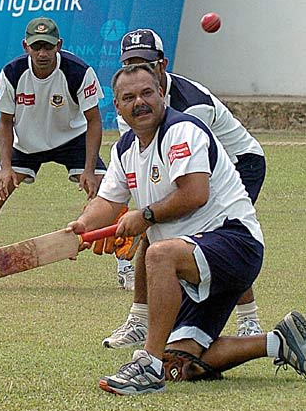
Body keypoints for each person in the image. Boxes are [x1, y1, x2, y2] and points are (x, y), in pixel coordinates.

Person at [66, 64, 306, 396]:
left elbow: (194, 193)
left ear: (162, 94)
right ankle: (279, 342)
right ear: (118, 107)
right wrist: (81, 227)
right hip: (196, 262)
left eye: (147, 93)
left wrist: (145, 216)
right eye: (129, 97)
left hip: (235, 243)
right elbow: (107, 202)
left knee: (159, 253)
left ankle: (146, 365)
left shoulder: (182, 129)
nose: (140, 102)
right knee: (178, 364)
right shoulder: (124, 150)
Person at [102, 28, 266, 346]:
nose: (138, 71)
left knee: (221, 232)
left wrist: (143, 216)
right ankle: (140, 319)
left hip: (237, 163)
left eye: (146, 64)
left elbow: (191, 186)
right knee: (156, 231)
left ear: (162, 65)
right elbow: (141, 165)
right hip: (192, 172)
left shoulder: (191, 109)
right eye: (130, 64)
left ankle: (249, 319)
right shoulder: (137, 104)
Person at [0, 16, 107, 290]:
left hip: (73, 138)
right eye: (36, 46)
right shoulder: (13, 73)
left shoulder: (78, 72)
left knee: (110, 193)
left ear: (58, 46)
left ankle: (127, 268)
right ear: (26, 46)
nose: (42, 53)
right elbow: (4, 123)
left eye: (48, 47)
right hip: (25, 142)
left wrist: (88, 170)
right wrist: (5, 168)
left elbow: (94, 121)